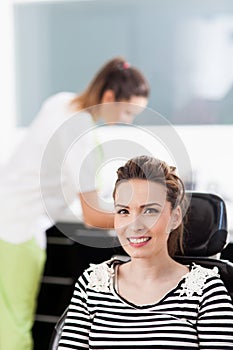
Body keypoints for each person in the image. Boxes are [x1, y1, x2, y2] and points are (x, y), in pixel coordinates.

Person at [0, 57, 149, 350]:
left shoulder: (61, 102)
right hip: (16, 231)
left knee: (5, 319)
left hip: (8, 215)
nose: (128, 119)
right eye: (128, 110)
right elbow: (92, 215)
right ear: (109, 97)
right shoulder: (80, 138)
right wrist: (141, 219)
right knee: (14, 322)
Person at [58, 155, 233, 349]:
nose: (135, 226)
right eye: (124, 211)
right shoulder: (92, 283)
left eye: (149, 211)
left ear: (174, 218)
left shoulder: (206, 290)